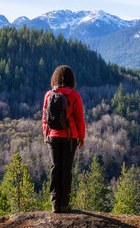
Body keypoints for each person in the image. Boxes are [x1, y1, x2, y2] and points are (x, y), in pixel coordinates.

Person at [42, 65, 85, 213]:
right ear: (71, 79)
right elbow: (80, 119)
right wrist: (81, 137)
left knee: (55, 168)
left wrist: (46, 135)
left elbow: (44, 118)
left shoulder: (49, 95)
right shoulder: (74, 95)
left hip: (53, 136)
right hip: (70, 137)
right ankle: (64, 204)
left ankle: (54, 204)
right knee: (66, 169)